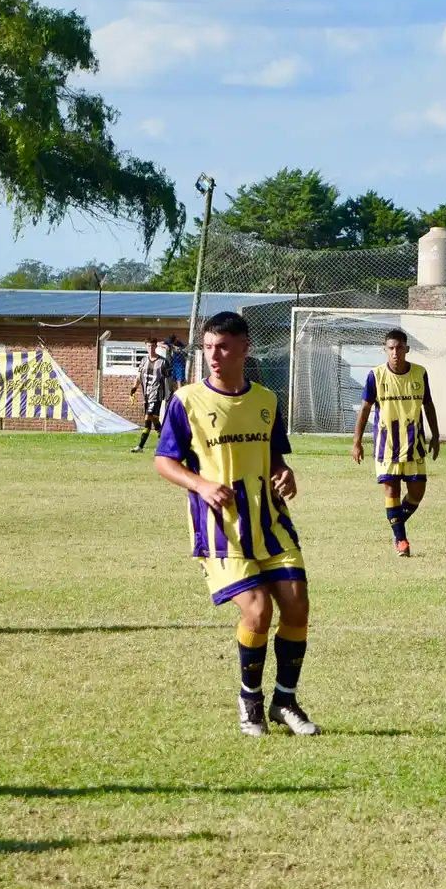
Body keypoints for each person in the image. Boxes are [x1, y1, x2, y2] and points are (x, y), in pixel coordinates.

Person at [152, 311, 318, 738]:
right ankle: (250, 703)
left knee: (297, 603)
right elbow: (164, 461)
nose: (213, 355)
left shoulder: (265, 401)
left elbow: (276, 456)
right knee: (259, 610)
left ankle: (285, 700)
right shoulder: (186, 401)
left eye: (223, 346)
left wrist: (285, 473)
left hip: (271, 522)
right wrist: (201, 484)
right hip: (221, 529)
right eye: (208, 347)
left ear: (244, 349)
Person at [352, 329, 441, 557]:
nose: (395, 353)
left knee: (417, 493)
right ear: (385, 350)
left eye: (399, 348)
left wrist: (436, 436)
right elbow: (365, 409)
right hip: (387, 446)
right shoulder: (376, 375)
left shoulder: (420, 374)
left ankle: (396, 524)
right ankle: (401, 539)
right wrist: (357, 441)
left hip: (414, 445)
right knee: (391, 490)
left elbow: (428, 406)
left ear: (407, 349)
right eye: (390, 348)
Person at [130, 337, 171, 453]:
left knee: (147, 418)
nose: (151, 348)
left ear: (156, 347)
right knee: (154, 420)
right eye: (148, 346)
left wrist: (170, 393)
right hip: (146, 396)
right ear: (145, 347)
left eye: (153, 346)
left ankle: (140, 446)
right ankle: (165, 437)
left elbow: (169, 379)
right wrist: (134, 388)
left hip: (157, 395)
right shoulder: (143, 361)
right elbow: (139, 376)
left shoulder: (163, 362)